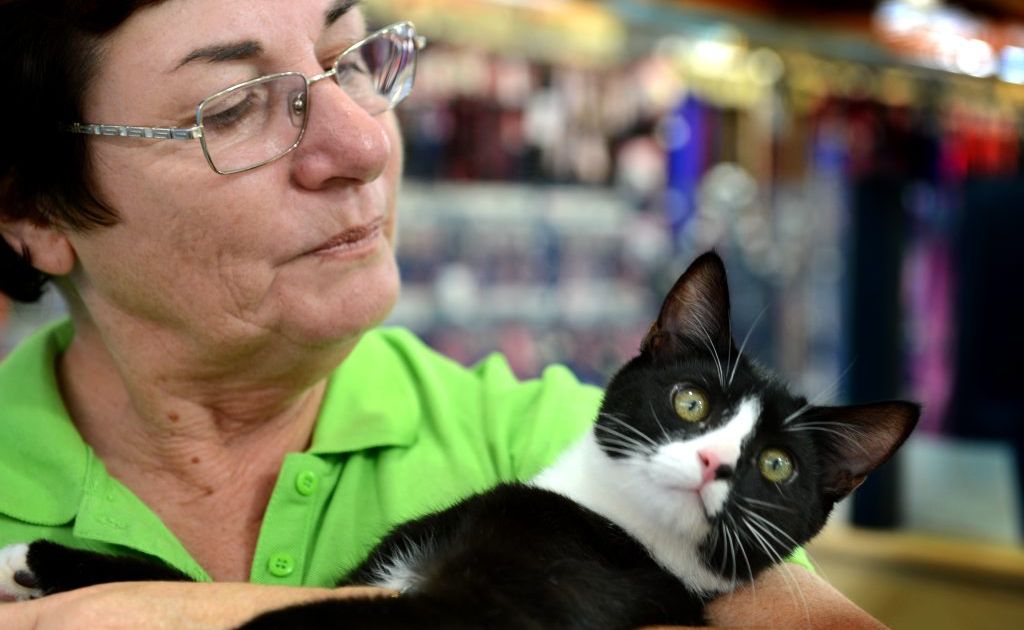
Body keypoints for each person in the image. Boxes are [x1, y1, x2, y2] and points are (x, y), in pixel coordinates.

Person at [0, 0, 884, 627]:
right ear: (35, 211)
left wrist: (161, 615)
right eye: (233, 109)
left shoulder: (568, 437)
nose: (361, 143)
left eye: (352, 57)